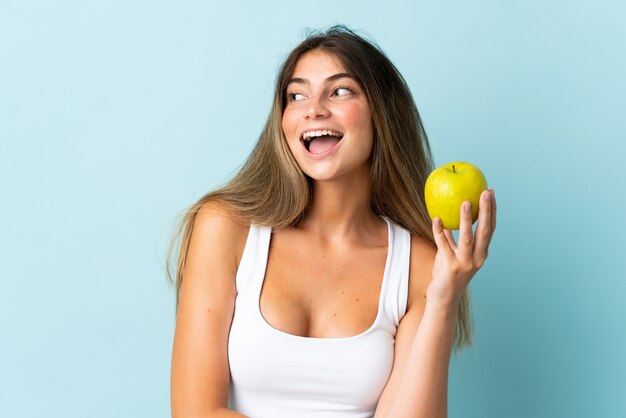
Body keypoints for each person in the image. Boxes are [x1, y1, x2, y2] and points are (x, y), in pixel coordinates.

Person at [167, 25, 496, 418]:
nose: (314, 109)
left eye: (340, 91)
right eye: (297, 95)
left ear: (381, 113)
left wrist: (444, 300)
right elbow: (194, 410)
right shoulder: (226, 228)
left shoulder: (420, 263)